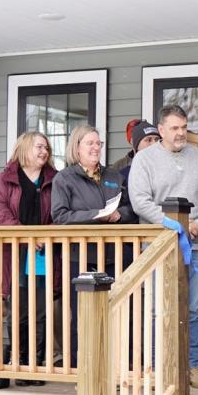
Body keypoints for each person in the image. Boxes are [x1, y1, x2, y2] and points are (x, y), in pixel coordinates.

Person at [128, 104, 198, 390]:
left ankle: (192, 365)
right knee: (159, 308)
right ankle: (159, 367)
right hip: (157, 245)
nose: (181, 133)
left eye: (183, 127)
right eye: (174, 128)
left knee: (193, 309)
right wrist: (174, 225)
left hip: (196, 246)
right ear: (161, 130)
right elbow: (140, 201)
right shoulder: (144, 160)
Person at [50, 125, 137, 363]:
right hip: (81, 256)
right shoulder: (64, 178)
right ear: (76, 148)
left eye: (98, 143)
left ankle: (120, 365)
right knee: (84, 316)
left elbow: (131, 209)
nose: (96, 148)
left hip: (115, 255)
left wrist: (121, 214)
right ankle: (85, 368)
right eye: (90, 143)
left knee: (119, 312)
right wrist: (95, 215)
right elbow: (60, 216)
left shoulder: (113, 176)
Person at [0, 130, 58, 385]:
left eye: (46, 148)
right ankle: (17, 362)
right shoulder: (5, 180)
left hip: (41, 253)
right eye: (39, 147)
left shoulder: (54, 179)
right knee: (17, 311)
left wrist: (43, 236)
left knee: (39, 310)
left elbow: (60, 214)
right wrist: (25, 235)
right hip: (13, 253)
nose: (44, 152)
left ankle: (34, 365)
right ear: (24, 148)